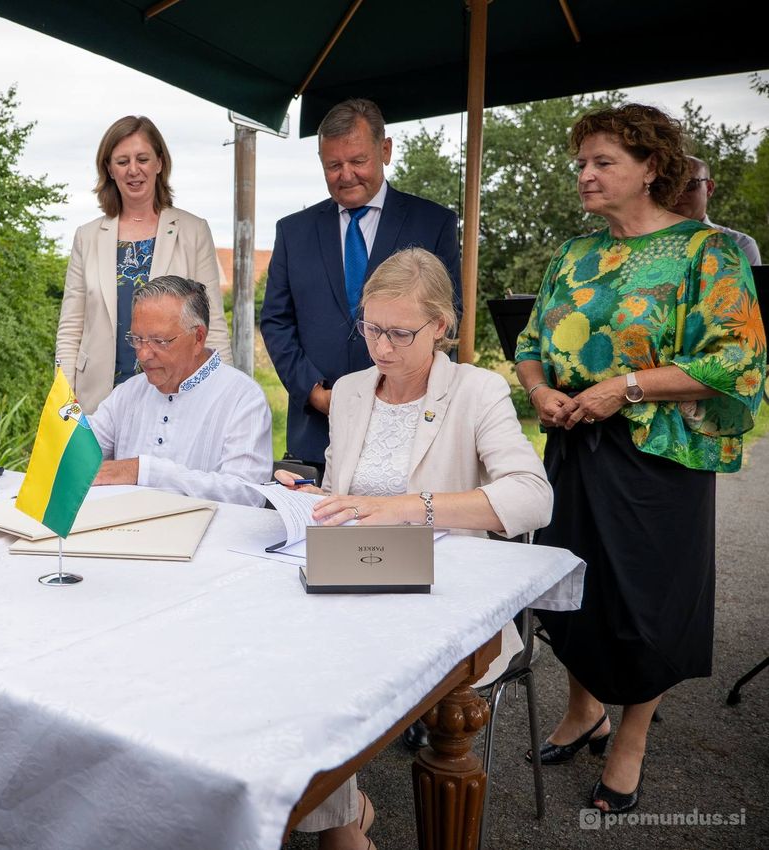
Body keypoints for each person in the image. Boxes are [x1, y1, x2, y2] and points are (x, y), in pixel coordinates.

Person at [514, 104, 766, 815]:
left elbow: (737, 362)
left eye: (603, 164)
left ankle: (630, 740)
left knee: (645, 607)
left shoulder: (705, 253)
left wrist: (623, 388)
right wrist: (539, 392)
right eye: (582, 165)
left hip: (658, 459)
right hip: (573, 445)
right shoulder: (574, 254)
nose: (586, 177)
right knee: (569, 591)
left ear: (651, 168)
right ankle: (582, 710)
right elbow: (531, 342)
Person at [276, 247, 552, 850]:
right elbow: (348, 493)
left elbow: (534, 497)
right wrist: (312, 495)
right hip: (352, 573)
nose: (382, 346)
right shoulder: (350, 391)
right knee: (279, 647)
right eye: (371, 328)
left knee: (327, 668)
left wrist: (408, 507)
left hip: (444, 596)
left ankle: (338, 826)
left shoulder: (477, 391)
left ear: (442, 328)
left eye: (401, 332)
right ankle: (343, 821)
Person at [261, 98, 462, 479]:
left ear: (385, 150)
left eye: (357, 161)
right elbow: (276, 321)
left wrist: (396, 393)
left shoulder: (433, 223)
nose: (346, 175)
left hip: (410, 426)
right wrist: (315, 392)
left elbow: (448, 318)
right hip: (316, 433)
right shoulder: (293, 231)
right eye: (333, 165)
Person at [57, 115, 232, 414]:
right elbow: (71, 327)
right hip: (98, 400)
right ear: (109, 169)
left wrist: (224, 396)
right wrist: (64, 398)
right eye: (122, 161)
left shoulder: (193, 230)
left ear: (160, 163)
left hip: (176, 395)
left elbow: (212, 324)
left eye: (142, 158)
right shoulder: (86, 237)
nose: (133, 170)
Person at [88, 276, 271, 507]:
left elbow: (247, 494)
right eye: (137, 339)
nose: (143, 354)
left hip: (210, 541)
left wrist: (146, 472)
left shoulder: (243, 398)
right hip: (124, 537)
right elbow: (81, 455)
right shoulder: (128, 393)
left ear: (198, 338)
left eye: (159, 341)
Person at [670, 154, 762, 264]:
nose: (678, 193)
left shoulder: (740, 247)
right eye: (669, 185)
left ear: (709, 188)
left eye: (689, 184)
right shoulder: (646, 244)